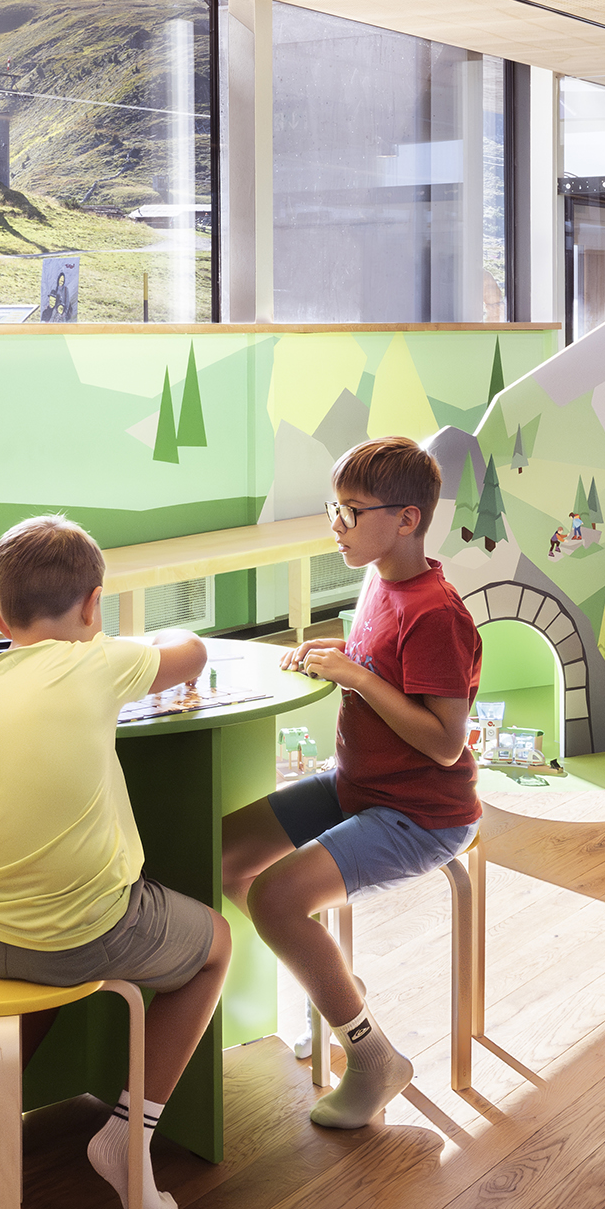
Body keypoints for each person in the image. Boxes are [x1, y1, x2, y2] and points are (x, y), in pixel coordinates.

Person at [0, 514, 226, 1209]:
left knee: (41, 945)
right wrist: (124, 643)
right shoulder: (99, 662)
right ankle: (130, 1134)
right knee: (213, 945)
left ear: (0, 616)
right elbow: (191, 651)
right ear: (94, 605)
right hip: (84, 931)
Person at [221, 436, 481, 1129]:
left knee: (275, 899)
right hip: (359, 783)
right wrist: (341, 655)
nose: (334, 525)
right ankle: (338, 988)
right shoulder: (376, 577)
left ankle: (372, 1056)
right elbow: (381, 663)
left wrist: (358, 677)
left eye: (350, 511)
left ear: (406, 519)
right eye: (333, 508)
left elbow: (447, 743)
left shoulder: (437, 612)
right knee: (221, 854)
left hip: (421, 812)